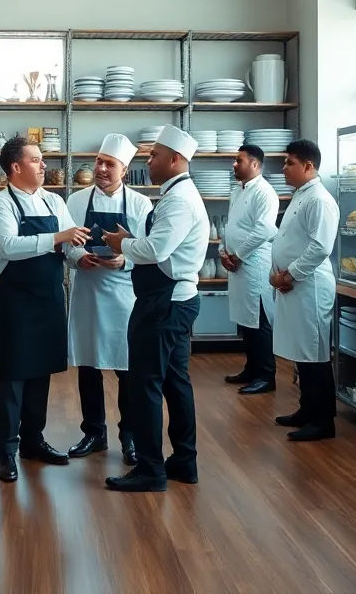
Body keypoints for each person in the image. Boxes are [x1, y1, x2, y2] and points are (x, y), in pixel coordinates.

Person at [101, 125, 210, 493]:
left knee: (144, 385)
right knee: (176, 382)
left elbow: (155, 251)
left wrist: (123, 242)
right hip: (172, 301)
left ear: (176, 159)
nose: (148, 162)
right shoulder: (177, 195)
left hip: (164, 304)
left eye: (154, 155)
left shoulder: (178, 200)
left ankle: (150, 469)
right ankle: (184, 460)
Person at [0, 136, 89, 482]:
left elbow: (69, 246)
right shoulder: (0, 204)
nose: (44, 166)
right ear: (15, 167)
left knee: (41, 373)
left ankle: (33, 440)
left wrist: (82, 258)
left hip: (49, 296)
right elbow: (11, 247)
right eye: (36, 160)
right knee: (13, 376)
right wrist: (60, 239)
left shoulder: (54, 202)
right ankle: (6, 452)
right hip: (18, 298)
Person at [64, 134, 153, 465]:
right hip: (87, 290)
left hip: (124, 294)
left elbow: (150, 250)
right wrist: (77, 258)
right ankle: (94, 432)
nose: (101, 168)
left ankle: (129, 436)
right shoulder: (75, 201)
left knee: (127, 367)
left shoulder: (142, 205)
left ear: (125, 170)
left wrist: (125, 259)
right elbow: (66, 244)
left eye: (109, 164)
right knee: (88, 365)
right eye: (99, 161)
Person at [269, 139, 340, 442]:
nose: (284, 168)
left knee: (315, 354)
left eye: (290, 163)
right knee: (302, 353)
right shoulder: (301, 195)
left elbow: (320, 247)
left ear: (309, 166)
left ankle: (323, 421)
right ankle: (306, 409)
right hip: (294, 285)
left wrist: (290, 275)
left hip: (309, 285)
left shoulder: (320, 200)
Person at [221, 144, 280, 395]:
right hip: (237, 262)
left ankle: (266, 375)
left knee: (260, 319)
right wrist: (224, 253)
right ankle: (251, 368)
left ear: (254, 164)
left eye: (239, 160)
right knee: (246, 319)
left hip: (254, 263)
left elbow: (265, 229)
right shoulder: (238, 191)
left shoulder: (265, 192)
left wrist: (239, 254)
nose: (234, 165)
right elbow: (232, 225)